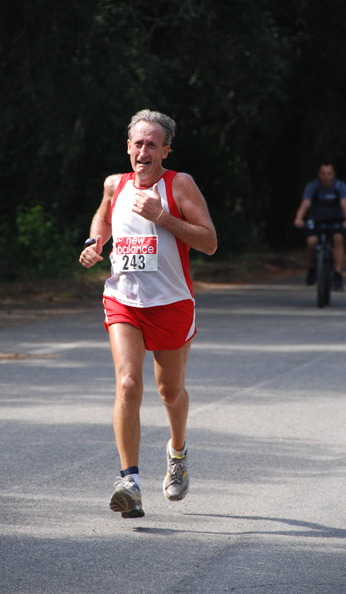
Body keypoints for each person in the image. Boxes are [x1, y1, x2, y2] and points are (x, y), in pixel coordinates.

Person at [79, 109, 217, 518]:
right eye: (138, 143)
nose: (144, 151)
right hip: (123, 299)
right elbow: (103, 218)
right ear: (128, 147)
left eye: (152, 144)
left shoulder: (180, 185)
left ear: (165, 150)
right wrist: (94, 243)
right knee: (127, 384)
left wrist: (162, 216)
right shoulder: (114, 184)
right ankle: (130, 481)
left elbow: (208, 241)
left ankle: (177, 451)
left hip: (171, 303)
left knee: (169, 392)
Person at [294, 163, 346, 291]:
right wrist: (299, 218)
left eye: (329, 174)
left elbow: (344, 204)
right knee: (311, 241)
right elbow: (305, 204)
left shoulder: (339, 186)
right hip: (315, 220)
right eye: (323, 174)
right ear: (319, 174)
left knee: (338, 238)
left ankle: (337, 274)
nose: (326, 177)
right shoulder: (313, 186)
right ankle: (312, 268)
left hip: (335, 220)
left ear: (333, 174)